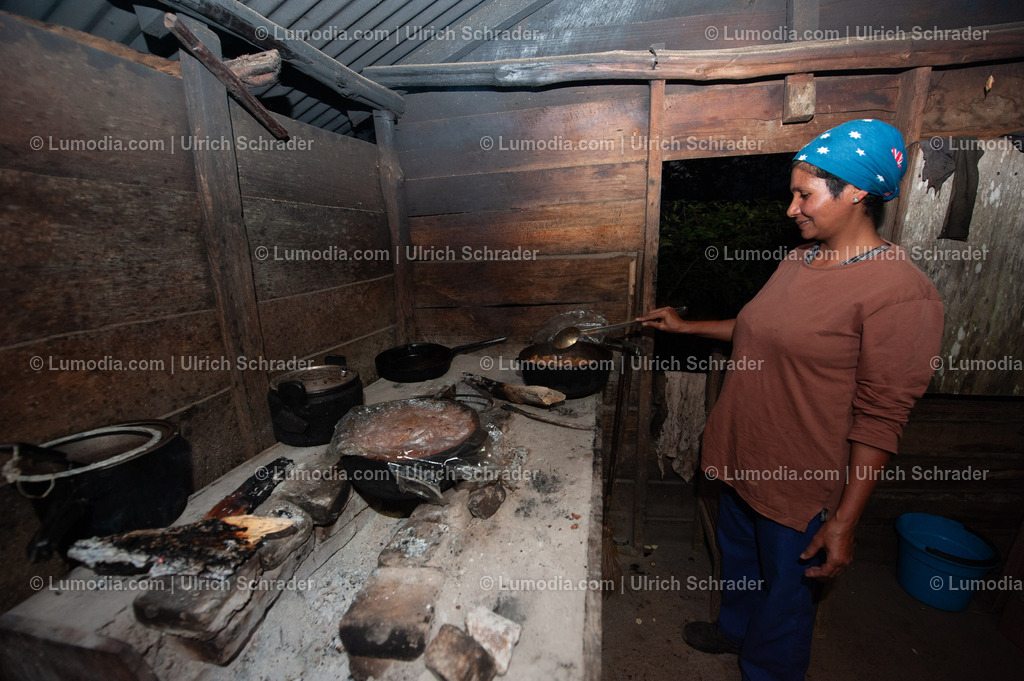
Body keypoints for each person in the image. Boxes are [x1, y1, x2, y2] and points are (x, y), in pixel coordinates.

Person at [638, 119, 944, 681]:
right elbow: (759, 331)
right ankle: (735, 630)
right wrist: (685, 328)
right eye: (792, 194)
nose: (791, 209)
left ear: (856, 192)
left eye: (805, 195)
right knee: (741, 564)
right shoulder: (799, 260)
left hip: (801, 481)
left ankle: (767, 668)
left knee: (786, 595)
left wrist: (845, 523)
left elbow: (881, 420)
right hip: (741, 454)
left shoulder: (900, 294)